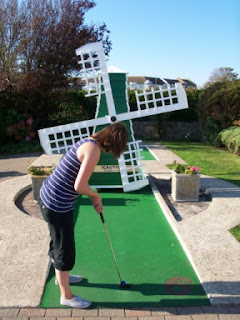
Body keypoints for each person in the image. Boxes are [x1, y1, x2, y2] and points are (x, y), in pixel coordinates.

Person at [39, 122, 128, 308]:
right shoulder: (94, 151)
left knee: (58, 242)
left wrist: (94, 197)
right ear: (112, 142)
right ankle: (67, 296)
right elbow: (79, 186)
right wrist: (96, 194)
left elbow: (77, 181)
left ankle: (60, 277)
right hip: (57, 204)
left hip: (50, 195)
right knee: (65, 248)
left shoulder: (87, 141)